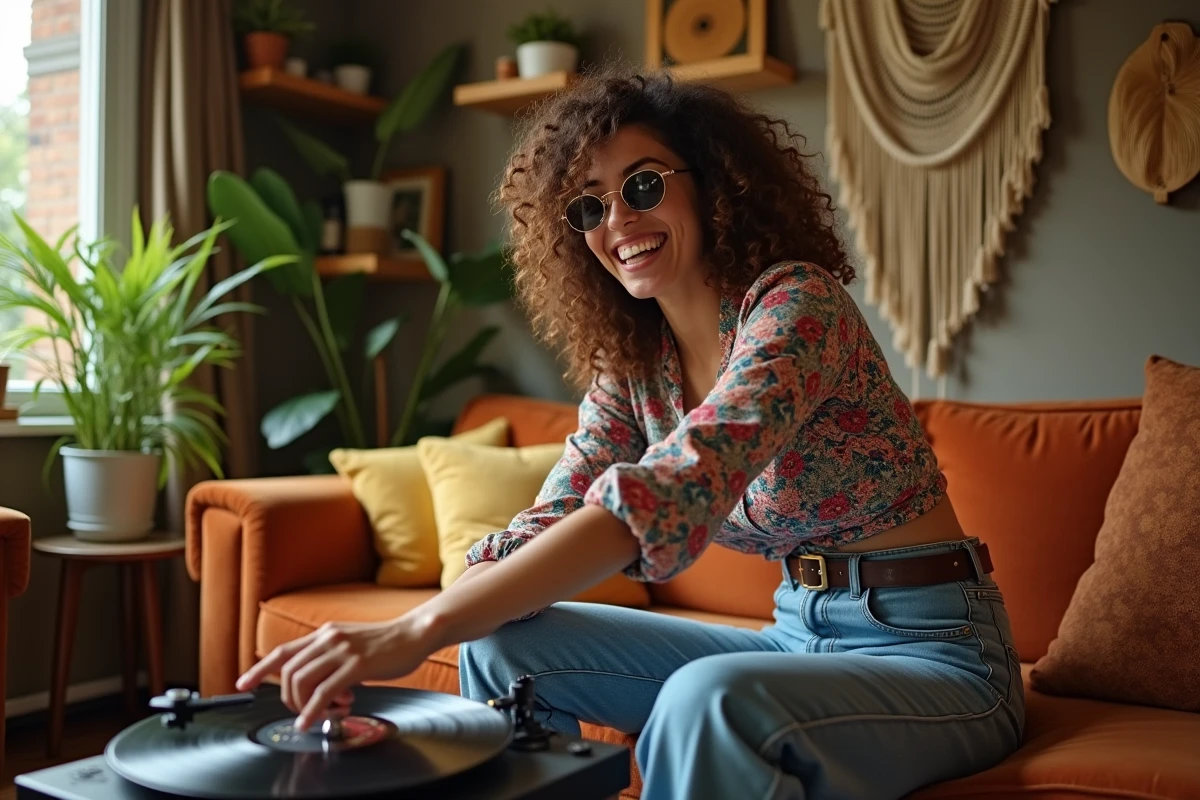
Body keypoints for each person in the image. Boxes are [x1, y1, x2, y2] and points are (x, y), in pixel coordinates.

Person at [236, 65, 1025, 800]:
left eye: (643, 186)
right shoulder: (636, 368)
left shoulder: (796, 307)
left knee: (705, 701)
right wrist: (405, 630)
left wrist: (414, 630)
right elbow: (547, 521)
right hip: (795, 637)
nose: (618, 221)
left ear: (712, 187)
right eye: (589, 205)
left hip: (935, 652)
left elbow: (674, 486)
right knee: (503, 649)